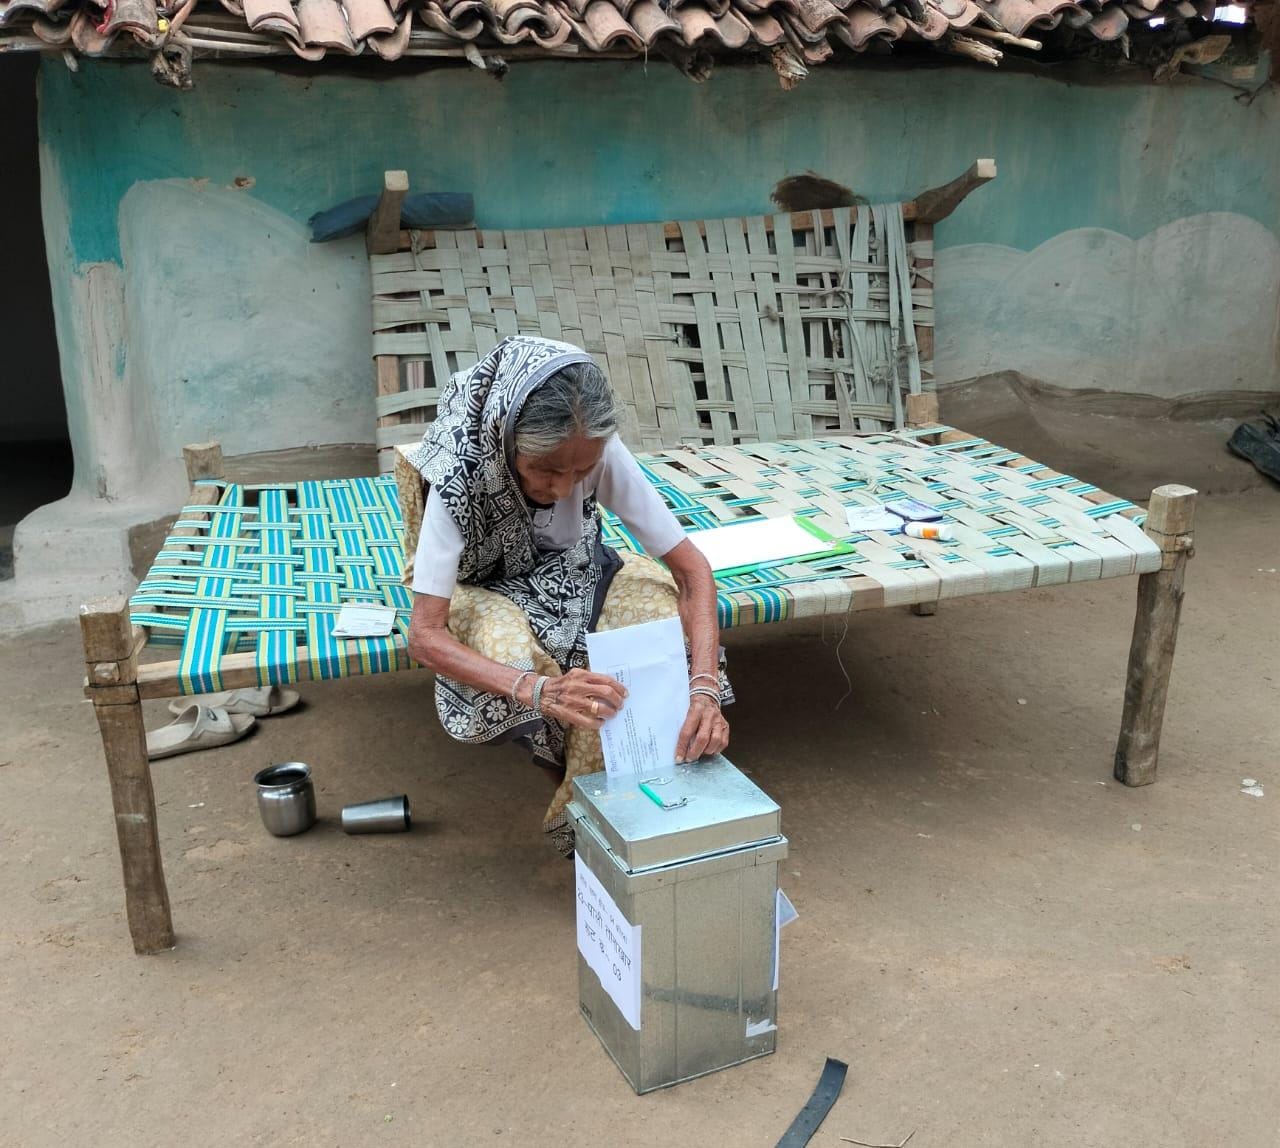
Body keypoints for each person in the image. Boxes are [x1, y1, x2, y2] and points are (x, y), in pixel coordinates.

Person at [405, 335, 731, 855]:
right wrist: (537, 689)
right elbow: (424, 635)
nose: (564, 488)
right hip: (476, 581)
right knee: (510, 646)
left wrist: (704, 688)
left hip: (574, 564)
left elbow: (693, 571)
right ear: (507, 440)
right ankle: (572, 786)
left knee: (654, 620)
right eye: (547, 470)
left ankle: (617, 794)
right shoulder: (460, 472)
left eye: (581, 472)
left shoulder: (594, 445)